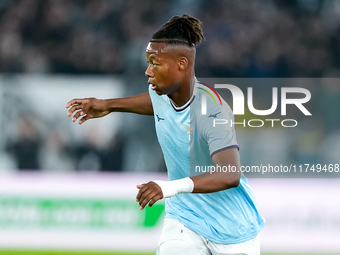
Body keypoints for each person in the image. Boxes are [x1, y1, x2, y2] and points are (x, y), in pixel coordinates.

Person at [66, 14, 265, 255]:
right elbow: (152, 103)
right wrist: (108, 105)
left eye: (155, 63)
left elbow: (230, 174)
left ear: (181, 64)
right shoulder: (161, 96)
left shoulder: (211, 108)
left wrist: (168, 188)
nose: (148, 71)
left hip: (231, 228)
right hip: (184, 219)